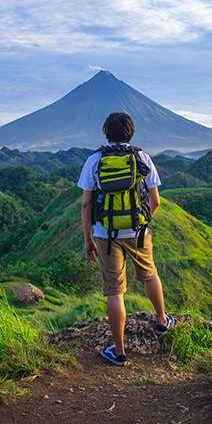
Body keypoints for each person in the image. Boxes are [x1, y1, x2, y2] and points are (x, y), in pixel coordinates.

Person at [77, 111, 175, 366]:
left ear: (105, 133)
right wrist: (140, 221)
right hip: (138, 231)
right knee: (150, 274)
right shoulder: (141, 157)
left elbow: (87, 205)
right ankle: (162, 321)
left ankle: (119, 351)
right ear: (131, 132)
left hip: (105, 234)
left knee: (114, 291)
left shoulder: (94, 160)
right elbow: (155, 201)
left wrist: (88, 239)